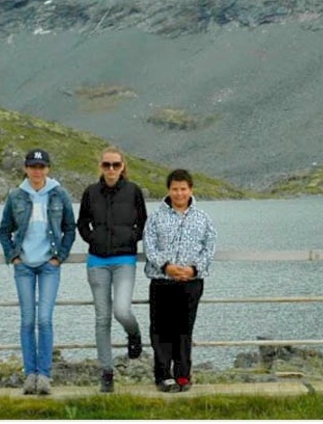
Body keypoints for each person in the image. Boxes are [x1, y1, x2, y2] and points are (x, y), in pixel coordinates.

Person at [0, 148, 76, 396]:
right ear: (26, 169)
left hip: (48, 266)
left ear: (48, 169)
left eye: (41, 167)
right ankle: (29, 374)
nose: (37, 171)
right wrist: (14, 256)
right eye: (32, 167)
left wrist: (59, 257)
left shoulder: (59, 194)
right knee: (27, 320)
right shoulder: (16, 196)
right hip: (24, 267)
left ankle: (44, 375)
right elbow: (4, 230)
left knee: (44, 319)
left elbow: (70, 228)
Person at [76, 146, 148, 393]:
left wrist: (131, 239)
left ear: (123, 166)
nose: (111, 169)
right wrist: (92, 239)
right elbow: (82, 222)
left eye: (115, 165)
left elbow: (144, 222)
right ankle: (106, 373)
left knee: (122, 310)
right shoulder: (90, 192)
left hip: (124, 260)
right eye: (106, 165)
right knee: (102, 317)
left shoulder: (133, 191)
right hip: (97, 261)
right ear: (100, 166)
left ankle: (134, 334)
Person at [143, 168, 217, 393]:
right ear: (169, 190)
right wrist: (167, 266)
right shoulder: (156, 217)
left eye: (183, 189)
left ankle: (183, 375)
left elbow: (210, 246)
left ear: (190, 189)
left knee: (184, 329)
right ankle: (163, 375)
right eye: (175, 189)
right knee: (161, 330)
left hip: (191, 282)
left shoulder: (203, 218)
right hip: (162, 280)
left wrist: (193, 270)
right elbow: (149, 245)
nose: (179, 193)